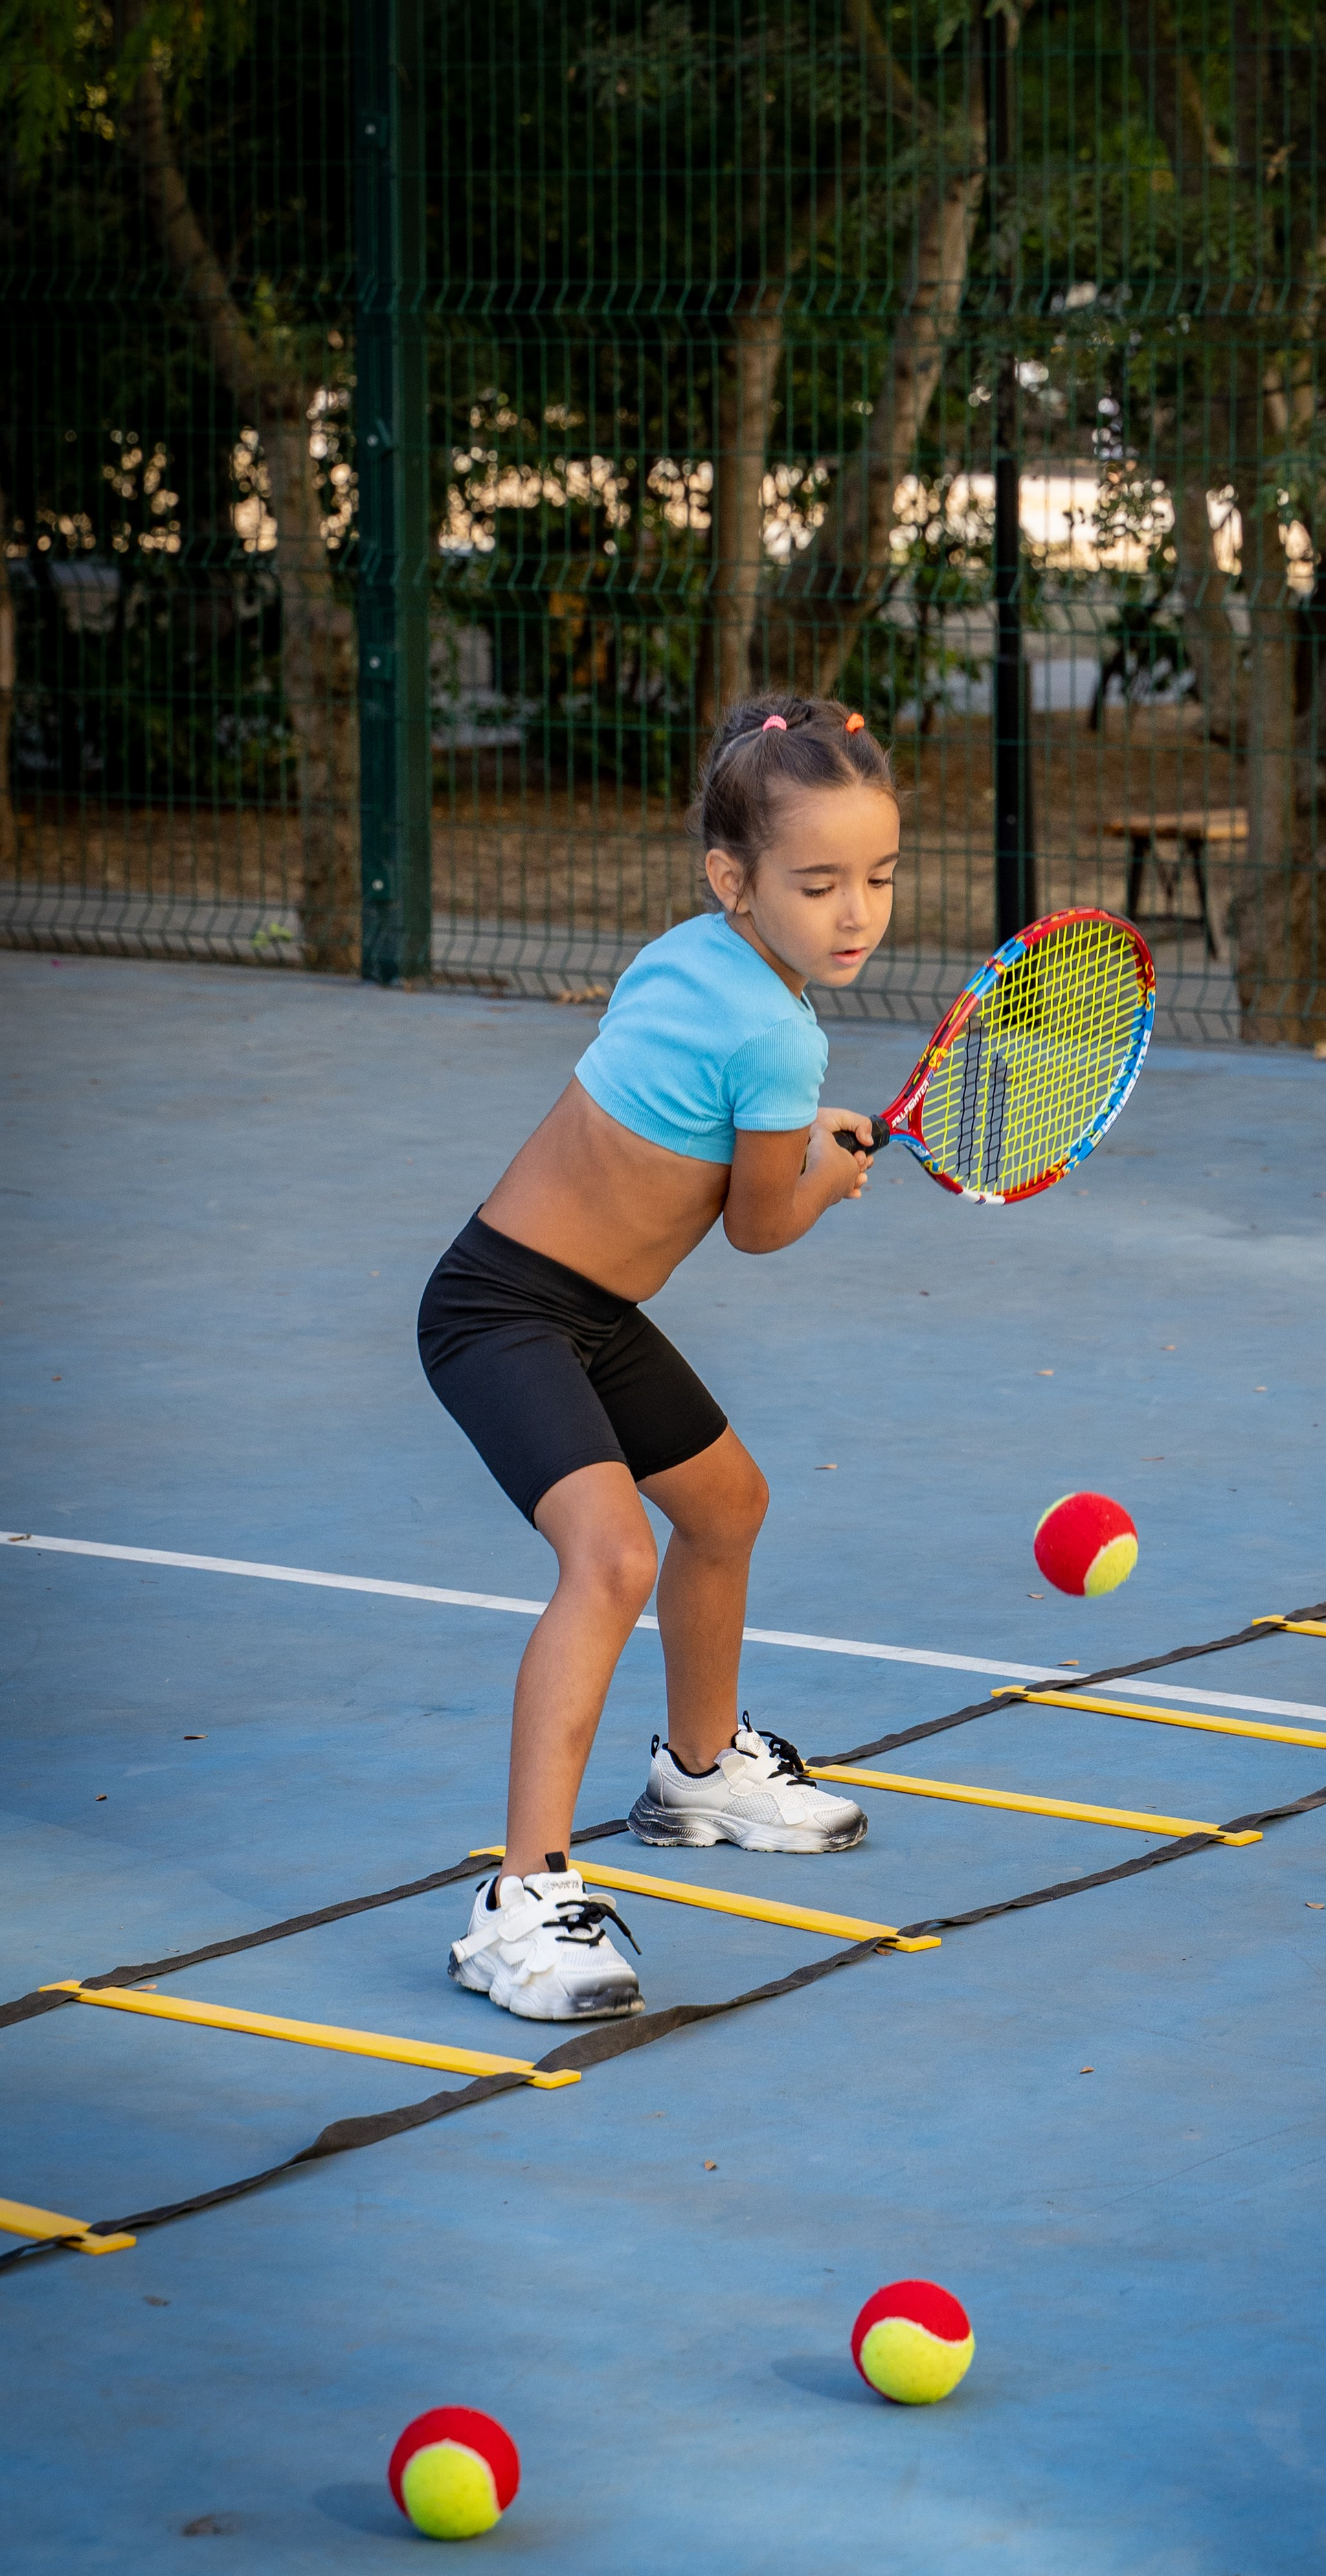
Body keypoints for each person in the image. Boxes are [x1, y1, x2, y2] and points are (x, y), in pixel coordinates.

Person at [417, 693, 899, 2022]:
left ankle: (697, 1774)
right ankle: (522, 1897)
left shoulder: (694, 956)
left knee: (726, 1505)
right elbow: (756, 1226)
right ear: (734, 879)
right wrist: (826, 1179)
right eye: (818, 883)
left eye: (879, 878)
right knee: (614, 1553)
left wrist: (803, 1141)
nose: (855, 912)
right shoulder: (781, 1035)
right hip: (500, 1309)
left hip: (586, 1307)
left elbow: (716, 1131)